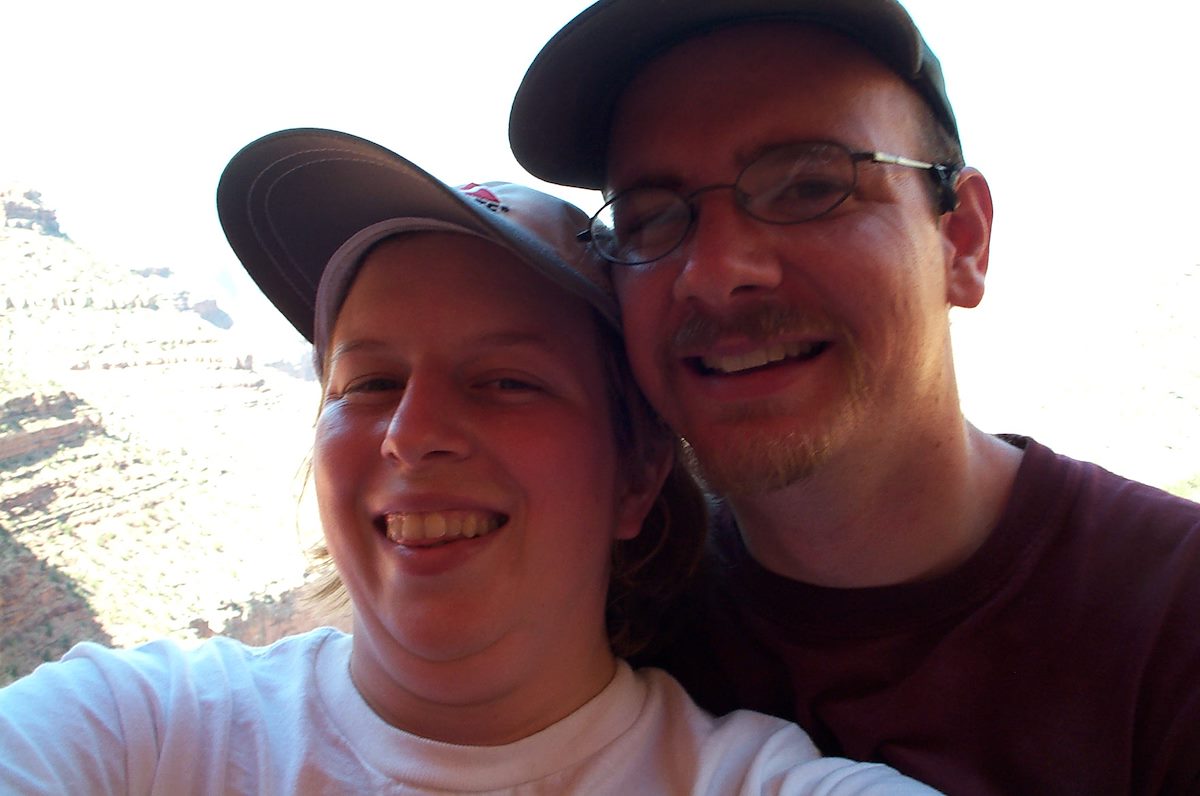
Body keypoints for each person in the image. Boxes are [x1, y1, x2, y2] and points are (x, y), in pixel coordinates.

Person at [0, 128, 943, 794]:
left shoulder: (760, 783)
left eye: (505, 381)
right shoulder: (139, 733)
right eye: (368, 382)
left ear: (637, 473)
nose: (411, 432)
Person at [507, 1, 1200, 794]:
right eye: (652, 220)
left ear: (962, 240)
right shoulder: (603, 624)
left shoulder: (1173, 623)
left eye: (809, 185)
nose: (717, 270)